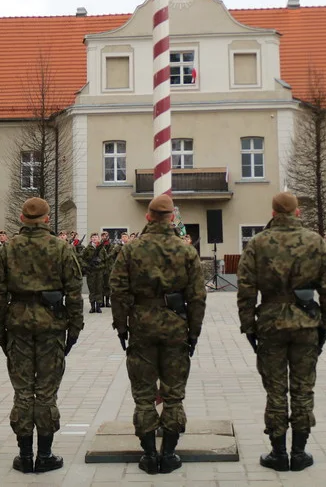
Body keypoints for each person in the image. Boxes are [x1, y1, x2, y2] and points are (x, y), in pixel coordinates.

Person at [237, 192, 326, 472]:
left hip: (270, 324)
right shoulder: (315, 241)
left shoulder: (258, 243)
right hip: (306, 325)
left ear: (273, 213)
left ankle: (278, 452)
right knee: (303, 389)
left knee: (276, 390)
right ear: (297, 213)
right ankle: (300, 452)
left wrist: (248, 327)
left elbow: (246, 289)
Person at [110, 194, 206, 475]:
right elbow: (197, 296)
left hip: (141, 325)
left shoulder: (131, 250)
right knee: (174, 395)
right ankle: (170, 453)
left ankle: (150, 454)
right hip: (176, 326)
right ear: (172, 218)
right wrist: (194, 331)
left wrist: (122, 327)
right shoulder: (186, 251)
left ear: (148, 217)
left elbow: (118, 291)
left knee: (143, 394)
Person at [0, 197, 84, 474]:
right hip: (51, 327)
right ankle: (44, 454)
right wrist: (74, 329)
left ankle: (24, 455)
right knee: (45, 393)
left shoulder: (8, 249)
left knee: (22, 392)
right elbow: (75, 293)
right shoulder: (61, 248)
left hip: (17, 326)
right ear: (47, 219)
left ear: (21, 218)